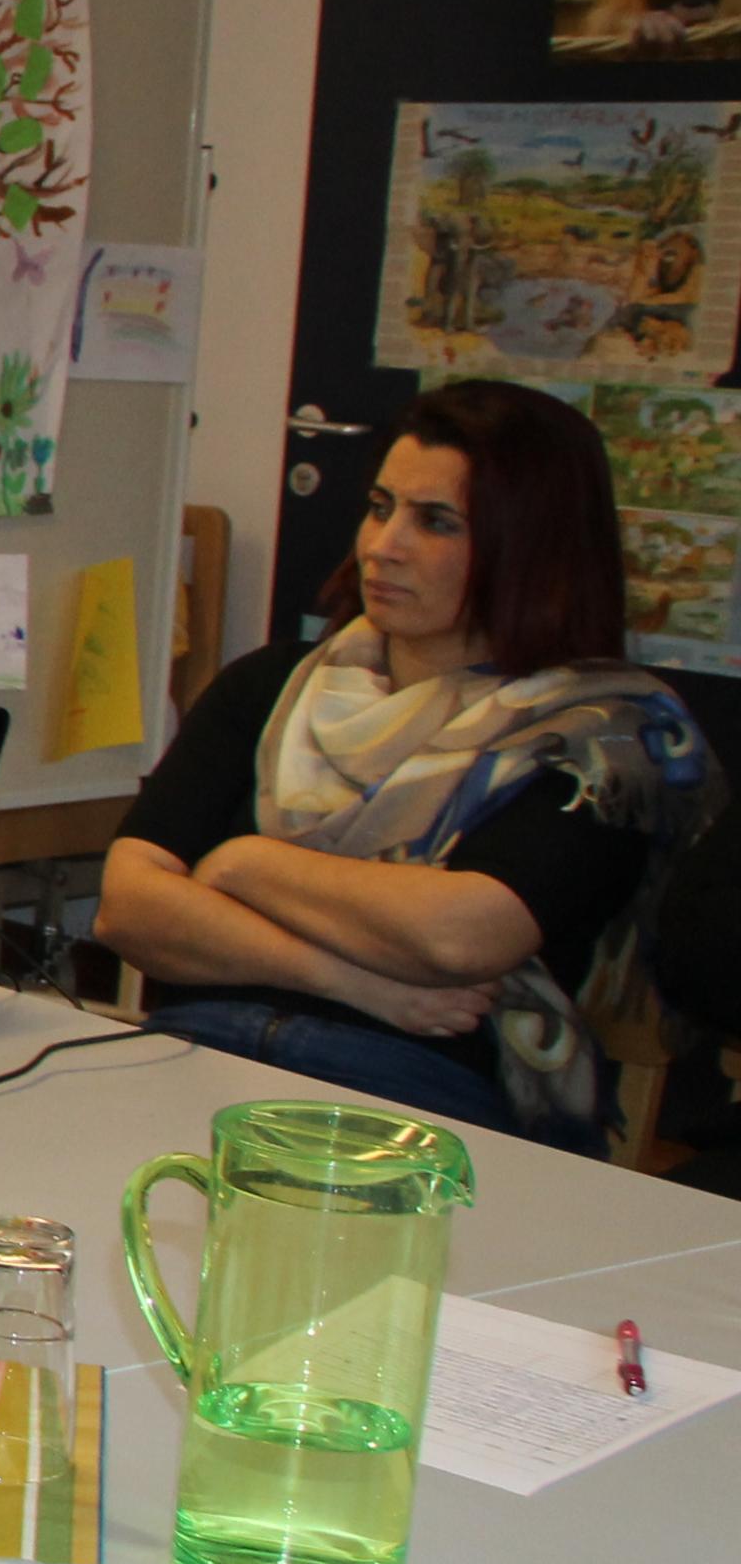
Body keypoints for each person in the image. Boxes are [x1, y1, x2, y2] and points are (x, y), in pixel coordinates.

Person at [95, 380, 713, 1147]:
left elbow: (460, 936)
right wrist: (355, 981)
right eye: (380, 507)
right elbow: (128, 906)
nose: (382, 546)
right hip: (202, 1046)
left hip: (418, 1093)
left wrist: (244, 864)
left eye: (436, 522)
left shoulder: (599, 737)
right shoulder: (274, 686)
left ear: (532, 546)